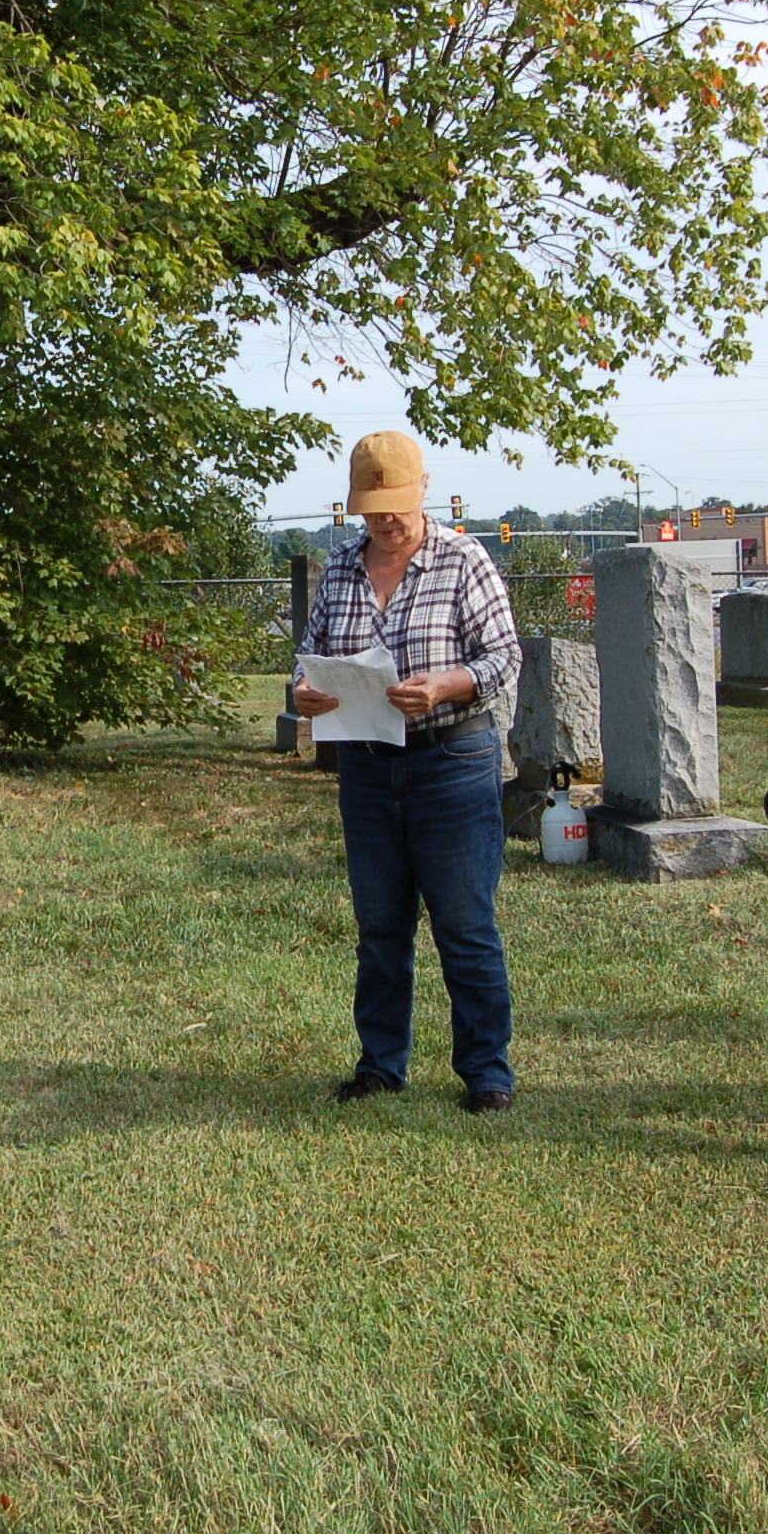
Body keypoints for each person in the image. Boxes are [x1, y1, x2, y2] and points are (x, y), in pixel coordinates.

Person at [292, 430, 524, 1112]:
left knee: (464, 924)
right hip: (367, 768)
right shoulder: (342, 568)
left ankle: (486, 1073)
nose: (386, 520)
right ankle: (380, 1065)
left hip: (452, 760)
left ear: (423, 490)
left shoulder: (464, 560)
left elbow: (504, 657)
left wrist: (446, 685)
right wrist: (304, 693)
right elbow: (308, 656)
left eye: (396, 504)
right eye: (373, 510)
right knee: (380, 928)